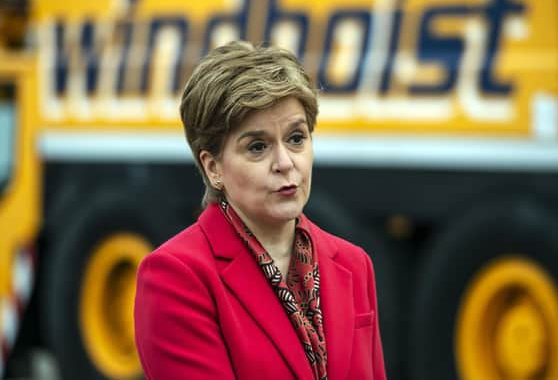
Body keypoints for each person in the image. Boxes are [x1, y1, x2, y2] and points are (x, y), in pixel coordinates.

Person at [134, 41, 387, 380]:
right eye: (257, 146)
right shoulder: (175, 277)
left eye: (296, 138)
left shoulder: (354, 265)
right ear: (213, 168)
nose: (285, 163)